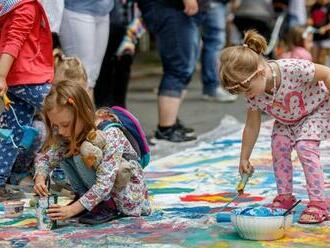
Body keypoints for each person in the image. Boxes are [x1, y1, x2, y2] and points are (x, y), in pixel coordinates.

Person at [219, 30, 330, 224]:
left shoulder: (293, 69)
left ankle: (318, 203)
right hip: (287, 119)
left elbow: (327, 74)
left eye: (248, 90)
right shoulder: (255, 93)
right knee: (279, 145)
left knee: (305, 147)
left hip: (316, 108)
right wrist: (244, 157)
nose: (248, 96)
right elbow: (252, 125)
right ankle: (285, 197)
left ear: (260, 72)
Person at [33, 81, 151, 224]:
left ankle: (106, 206)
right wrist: (40, 177)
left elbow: (105, 183)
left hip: (126, 198)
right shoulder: (70, 133)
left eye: (65, 125)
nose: (62, 131)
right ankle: (85, 200)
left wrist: (72, 210)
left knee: (80, 154)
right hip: (98, 193)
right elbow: (47, 159)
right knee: (63, 152)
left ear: (84, 113)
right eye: (56, 126)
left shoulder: (110, 134)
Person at [0, 0, 53, 199]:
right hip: (31, 78)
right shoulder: (25, 5)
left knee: (12, 131)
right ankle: (60, 174)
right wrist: (1, 75)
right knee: (69, 116)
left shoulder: (8, 4)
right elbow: (14, 40)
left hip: (15, 80)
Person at [59, 0, 115, 101]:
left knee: (92, 80)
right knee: (81, 77)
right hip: (77, 9)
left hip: (104, 9)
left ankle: (88, 115)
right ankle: (80, 115)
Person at [95, 0, 146, 108]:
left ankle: (119, 106)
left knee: (124, 64)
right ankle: (104, 105)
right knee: (104, 65)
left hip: (132, 25)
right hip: (108, 22)